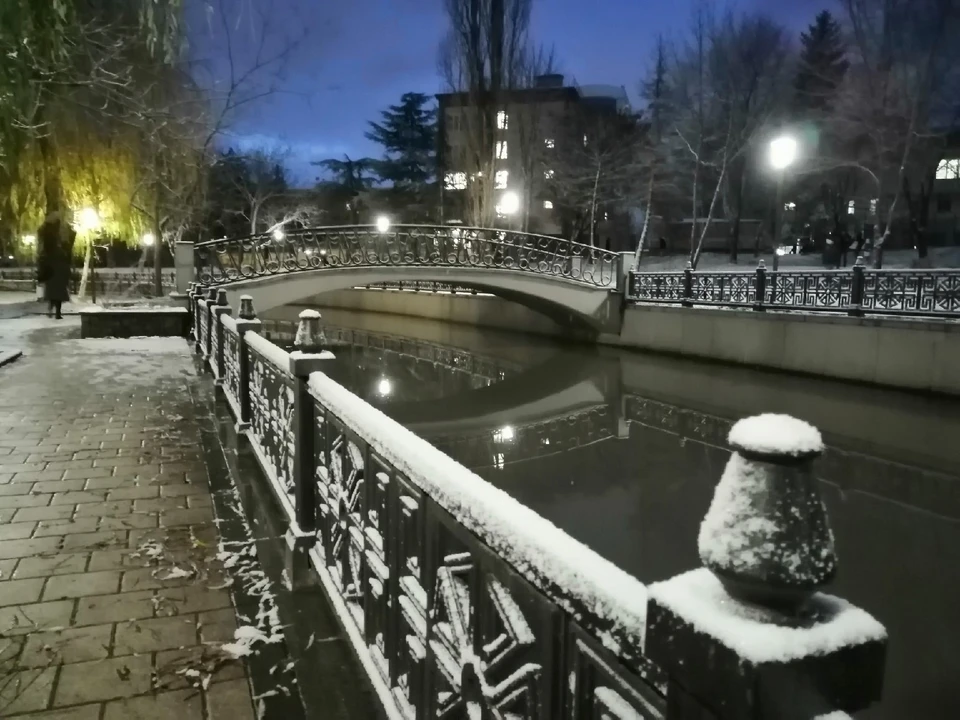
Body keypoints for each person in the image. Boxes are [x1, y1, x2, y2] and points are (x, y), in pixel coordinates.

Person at [36, 211, 75, 320]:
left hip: (53, 271)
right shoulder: (54, 235)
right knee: (57, 295)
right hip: (57, 271)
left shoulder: (47, 232)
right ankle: (56, 312)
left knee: (54, 294)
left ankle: (54, 309)